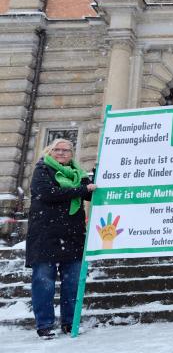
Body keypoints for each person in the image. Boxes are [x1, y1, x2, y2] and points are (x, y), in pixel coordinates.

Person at [25, 139, 97, 339]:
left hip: (72, 235)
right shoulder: (42, 170)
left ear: (72, 153)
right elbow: (49, 194)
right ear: (50, 150)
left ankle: (69, 323)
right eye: (57, 149)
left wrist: (100, 174)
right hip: (45, 236)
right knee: (44, 283)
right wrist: (83, 190)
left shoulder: (78, 175)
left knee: (72, 283)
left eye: (66, 150)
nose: (61, 153)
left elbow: (92, 195)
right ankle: (45, 325)